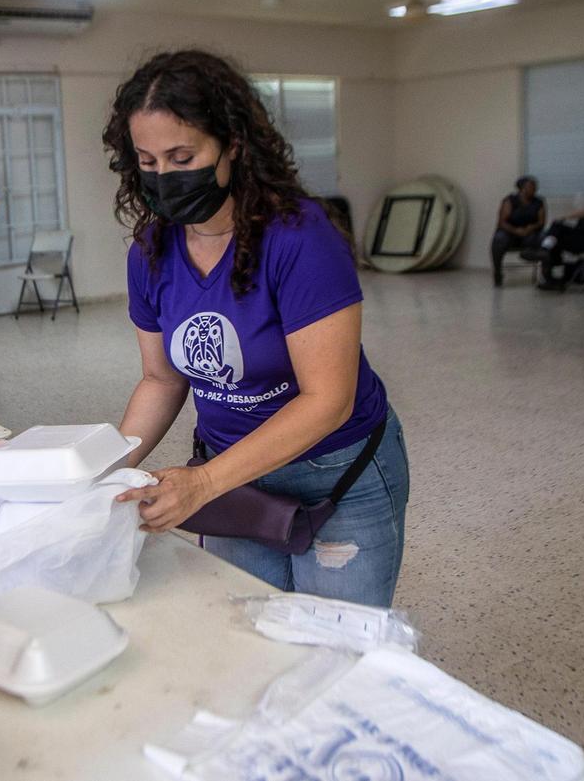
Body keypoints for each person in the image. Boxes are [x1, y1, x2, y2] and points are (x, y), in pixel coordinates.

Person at [103, 50, 409, 607]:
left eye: (181, 156)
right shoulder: (151, 251)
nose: (164, 177)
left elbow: (329, 400)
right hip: (235, 475)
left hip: (335, 472)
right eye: (147, 162)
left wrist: (202, 484)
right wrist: (103, 468)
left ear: (233, 147)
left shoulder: (299, 237)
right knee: (252, 638)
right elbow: (162, 380)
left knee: (334, 648)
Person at [490, 176, 545, 287]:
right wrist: (516, 230)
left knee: (545, 238)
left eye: (535, 187)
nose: (534, 189)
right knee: (499, 239)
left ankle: (546, 274)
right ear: (522, 188)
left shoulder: (538, 202)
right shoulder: (510, 200)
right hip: (510, 233)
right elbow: (502, 222)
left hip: (530, 233)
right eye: (531, 186)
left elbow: (541, 222)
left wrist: (531, 227)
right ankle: (497, 272)